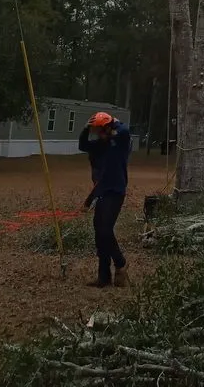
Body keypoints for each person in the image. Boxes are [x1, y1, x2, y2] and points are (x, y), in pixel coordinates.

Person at [78, 111, 131, 288]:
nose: (98, 134)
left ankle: (120, 263)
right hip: (102, 191)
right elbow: (83, 145)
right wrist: (86, 128)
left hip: (116, 191)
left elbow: (123, 131)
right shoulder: (101, 145)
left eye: (99, 130)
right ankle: (104, 276)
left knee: (105, 229)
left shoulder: (119, 141)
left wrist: (113, 124)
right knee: (99, 232)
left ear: (107, 128)